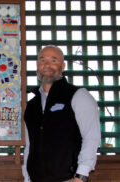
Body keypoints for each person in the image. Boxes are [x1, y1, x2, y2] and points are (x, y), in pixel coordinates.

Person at [22, 45, 101, 182]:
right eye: (42, 60)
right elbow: (30, 145)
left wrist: (81, 176)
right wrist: (27, 177)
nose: (47, 65)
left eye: (54, 60)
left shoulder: (78, 95)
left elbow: (91, 137)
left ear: (63, 66)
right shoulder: (31, 105)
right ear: (37, 66)